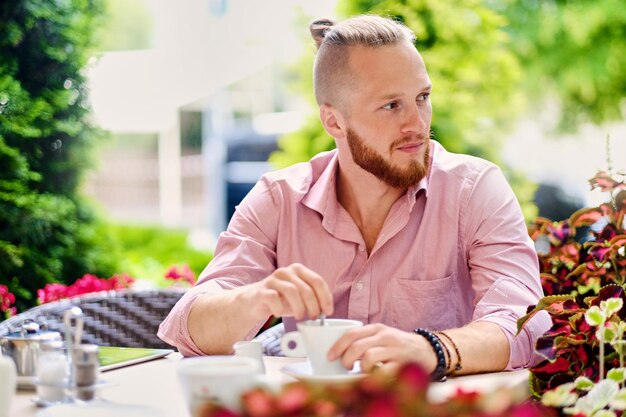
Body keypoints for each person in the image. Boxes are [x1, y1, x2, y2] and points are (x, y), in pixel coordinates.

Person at [159, 14, 551, 378]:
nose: (417, 124)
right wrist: (257, 298)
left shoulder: (474, 189)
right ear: (334, 121)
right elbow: (187, 328)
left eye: (422, 97)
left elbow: (527, 324)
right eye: (391, 105)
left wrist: (432, 348)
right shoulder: (279, 199)